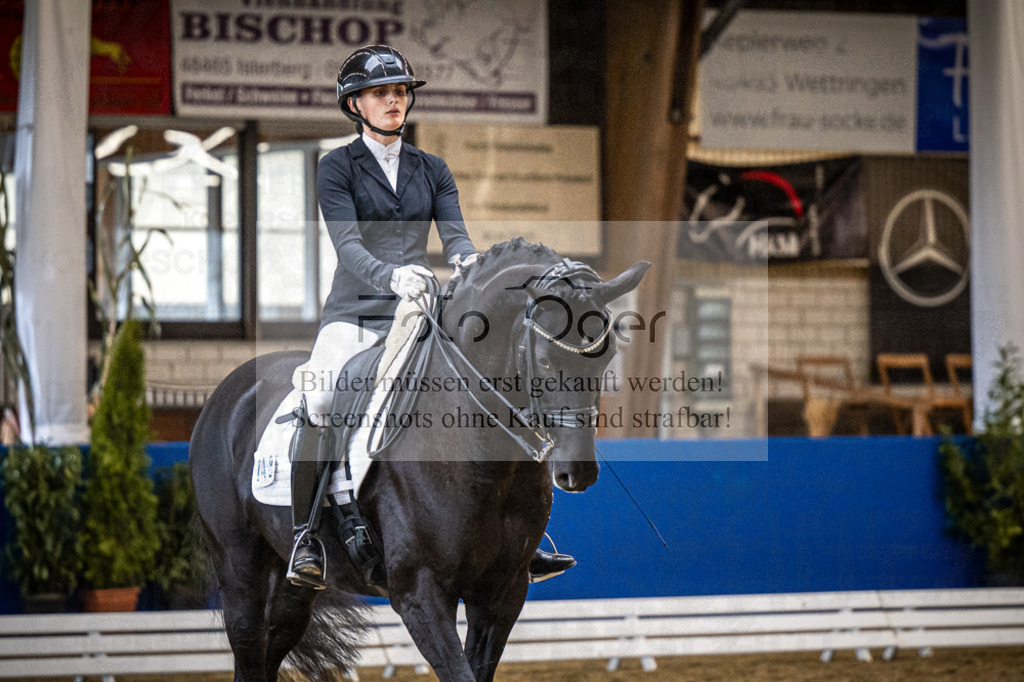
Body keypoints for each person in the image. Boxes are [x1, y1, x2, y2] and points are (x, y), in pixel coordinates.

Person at [287, 44, 576, 589]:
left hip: (422, 310)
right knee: (321, 397)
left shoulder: (432, 169)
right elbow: (347, 246)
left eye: (399, 92)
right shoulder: (335, 168)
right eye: (380, 93)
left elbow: (457, 237)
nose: (393, 100)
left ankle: (518, 532)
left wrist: (470, 264)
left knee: (486, 382)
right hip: (355, 312)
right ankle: (306, 535)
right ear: (355, 105)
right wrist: (391, 276)